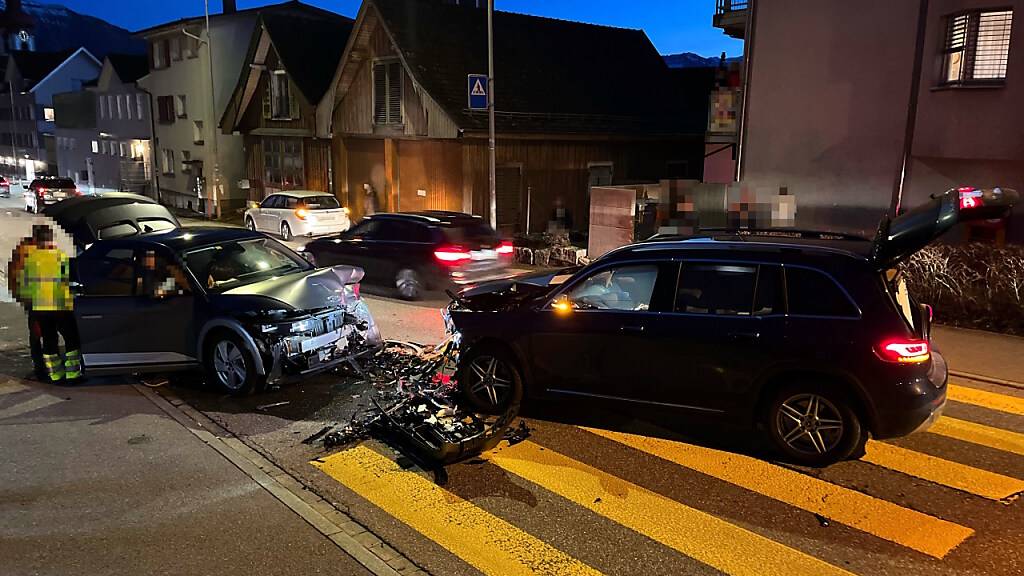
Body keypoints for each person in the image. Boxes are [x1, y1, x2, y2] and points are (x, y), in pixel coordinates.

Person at [12, 224, 81, 383]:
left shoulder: (30, 260)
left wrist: (30, 307)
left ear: (36, 239)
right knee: (72, 339)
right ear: (50, 238)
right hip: (60, 306)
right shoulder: (59, 256)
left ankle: (55, 375)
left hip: (40, 308)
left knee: (49, 341)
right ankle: (73, 374)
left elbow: (24, 286)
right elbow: (70, 279)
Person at [7, 232, 46, 379]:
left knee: (39, 334)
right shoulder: (28, 252)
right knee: (40, 334)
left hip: (36, 300)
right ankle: (41, 368)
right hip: (37, 300)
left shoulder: (25, 251)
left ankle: (41, 367)